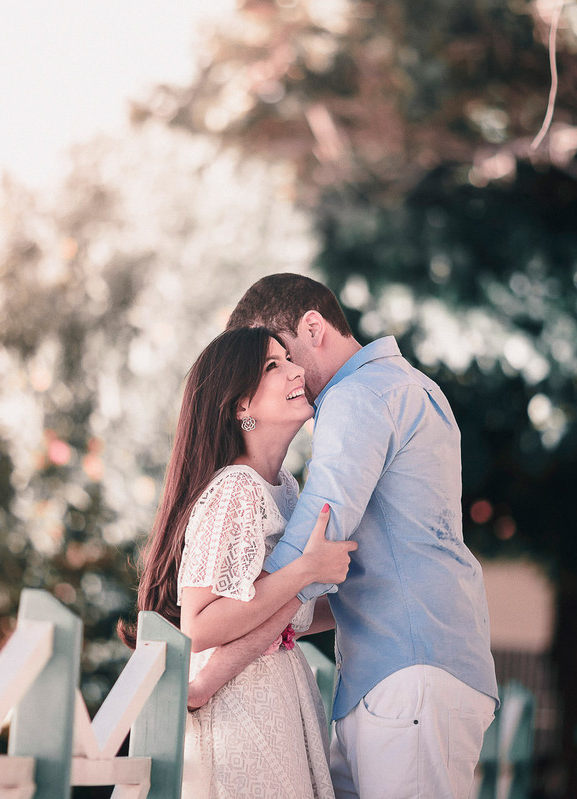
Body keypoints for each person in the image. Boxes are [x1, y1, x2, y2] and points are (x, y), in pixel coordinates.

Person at [189, 274, 499, 799]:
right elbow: (342, 570)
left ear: (313, 328)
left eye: (280, 356)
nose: (287, 373)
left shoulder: (358, 396)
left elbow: (314, 545)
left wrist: (213, 666)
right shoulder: (408, 385)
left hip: (406, 673)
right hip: (404, 670)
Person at [120, 326, 357, 799]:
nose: (296, 370)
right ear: (241, 407)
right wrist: (307, 570)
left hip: (280, 700)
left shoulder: (286, 489)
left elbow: (280, 611)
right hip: (239, 714)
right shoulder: (235, 489)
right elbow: (199, 626)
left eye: (288, 358)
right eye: (273, 365)